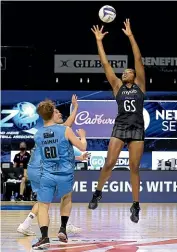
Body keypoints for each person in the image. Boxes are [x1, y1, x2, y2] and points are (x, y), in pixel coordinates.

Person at [88, 19, 146, 224]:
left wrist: (130, 36)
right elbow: (105, 63)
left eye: (129, 71)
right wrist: (99, 41)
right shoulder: (117, 85)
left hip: (137, 128)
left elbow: (138, 58)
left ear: (135, 75)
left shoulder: (140, 84)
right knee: (109, 162)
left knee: (134, 167)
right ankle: (97, 192)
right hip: (120, 126)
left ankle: (136, 205)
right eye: (124, 71)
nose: (125, 72)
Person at [17, 95, 86, 236]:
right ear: (50, 115)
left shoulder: (41, 133)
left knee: (48, 199)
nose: (58, 113)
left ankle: (61, 225)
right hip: (40, 167)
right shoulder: (59, 130)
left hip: (39, 166)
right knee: (52, 199)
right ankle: (61, 226)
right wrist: (75, 108)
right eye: (55, 111)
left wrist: (77, 157)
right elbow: (67, 125)